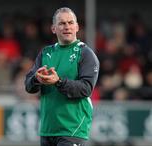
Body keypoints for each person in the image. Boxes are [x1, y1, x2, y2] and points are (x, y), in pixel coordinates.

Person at [25, 7, 99, 146]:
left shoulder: (85, 53)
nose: (67, 27)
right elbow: (28, 85)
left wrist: (58, 81)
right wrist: (36, 79)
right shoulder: (45, 53)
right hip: (48, 129)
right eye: (62, 23)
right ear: (53, 28)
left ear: (77, 27)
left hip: (73, 128)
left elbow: (86, 89)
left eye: (70, 23)